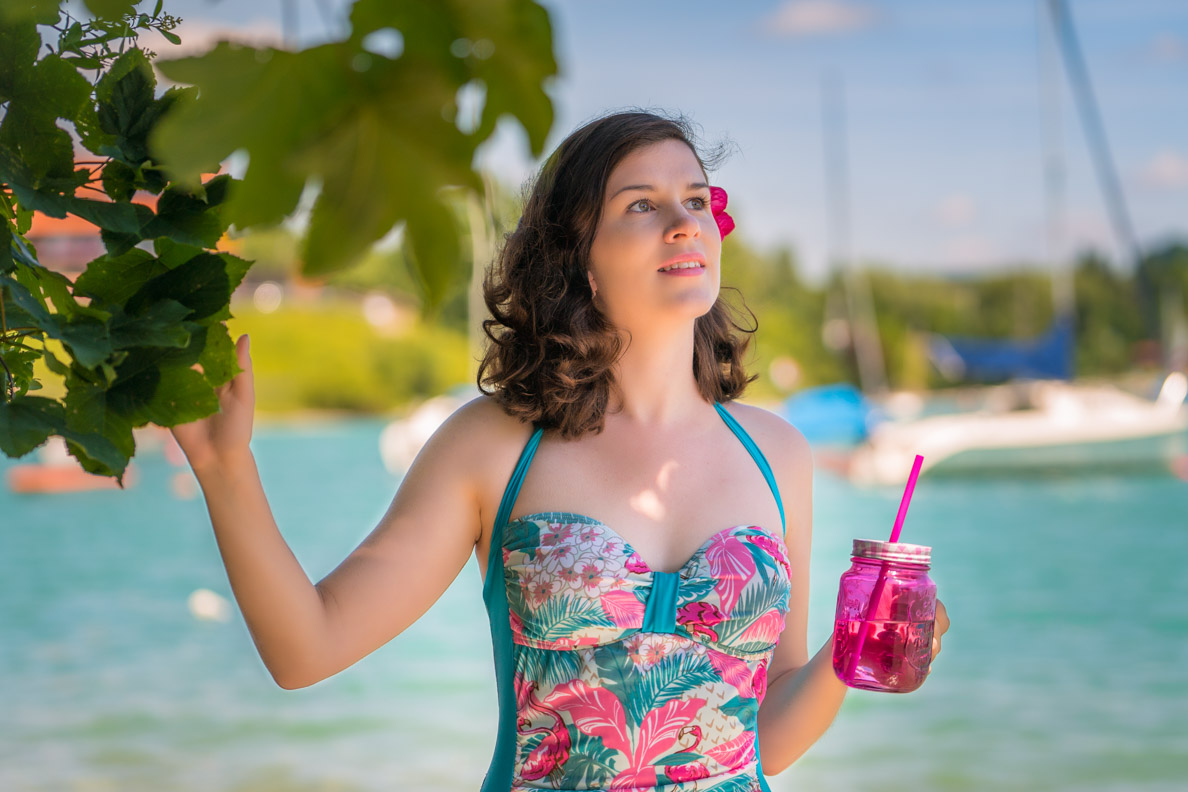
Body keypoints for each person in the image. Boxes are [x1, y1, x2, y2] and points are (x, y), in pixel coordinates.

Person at [171, 110, 950, 791]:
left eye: (695, 200)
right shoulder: (495, 445)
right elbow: (306, 649)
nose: (683, 223)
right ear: (579, 253)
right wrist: (222, 467)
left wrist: (855, 655)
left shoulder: (777, 454)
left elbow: (766, 740)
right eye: (641, 205)